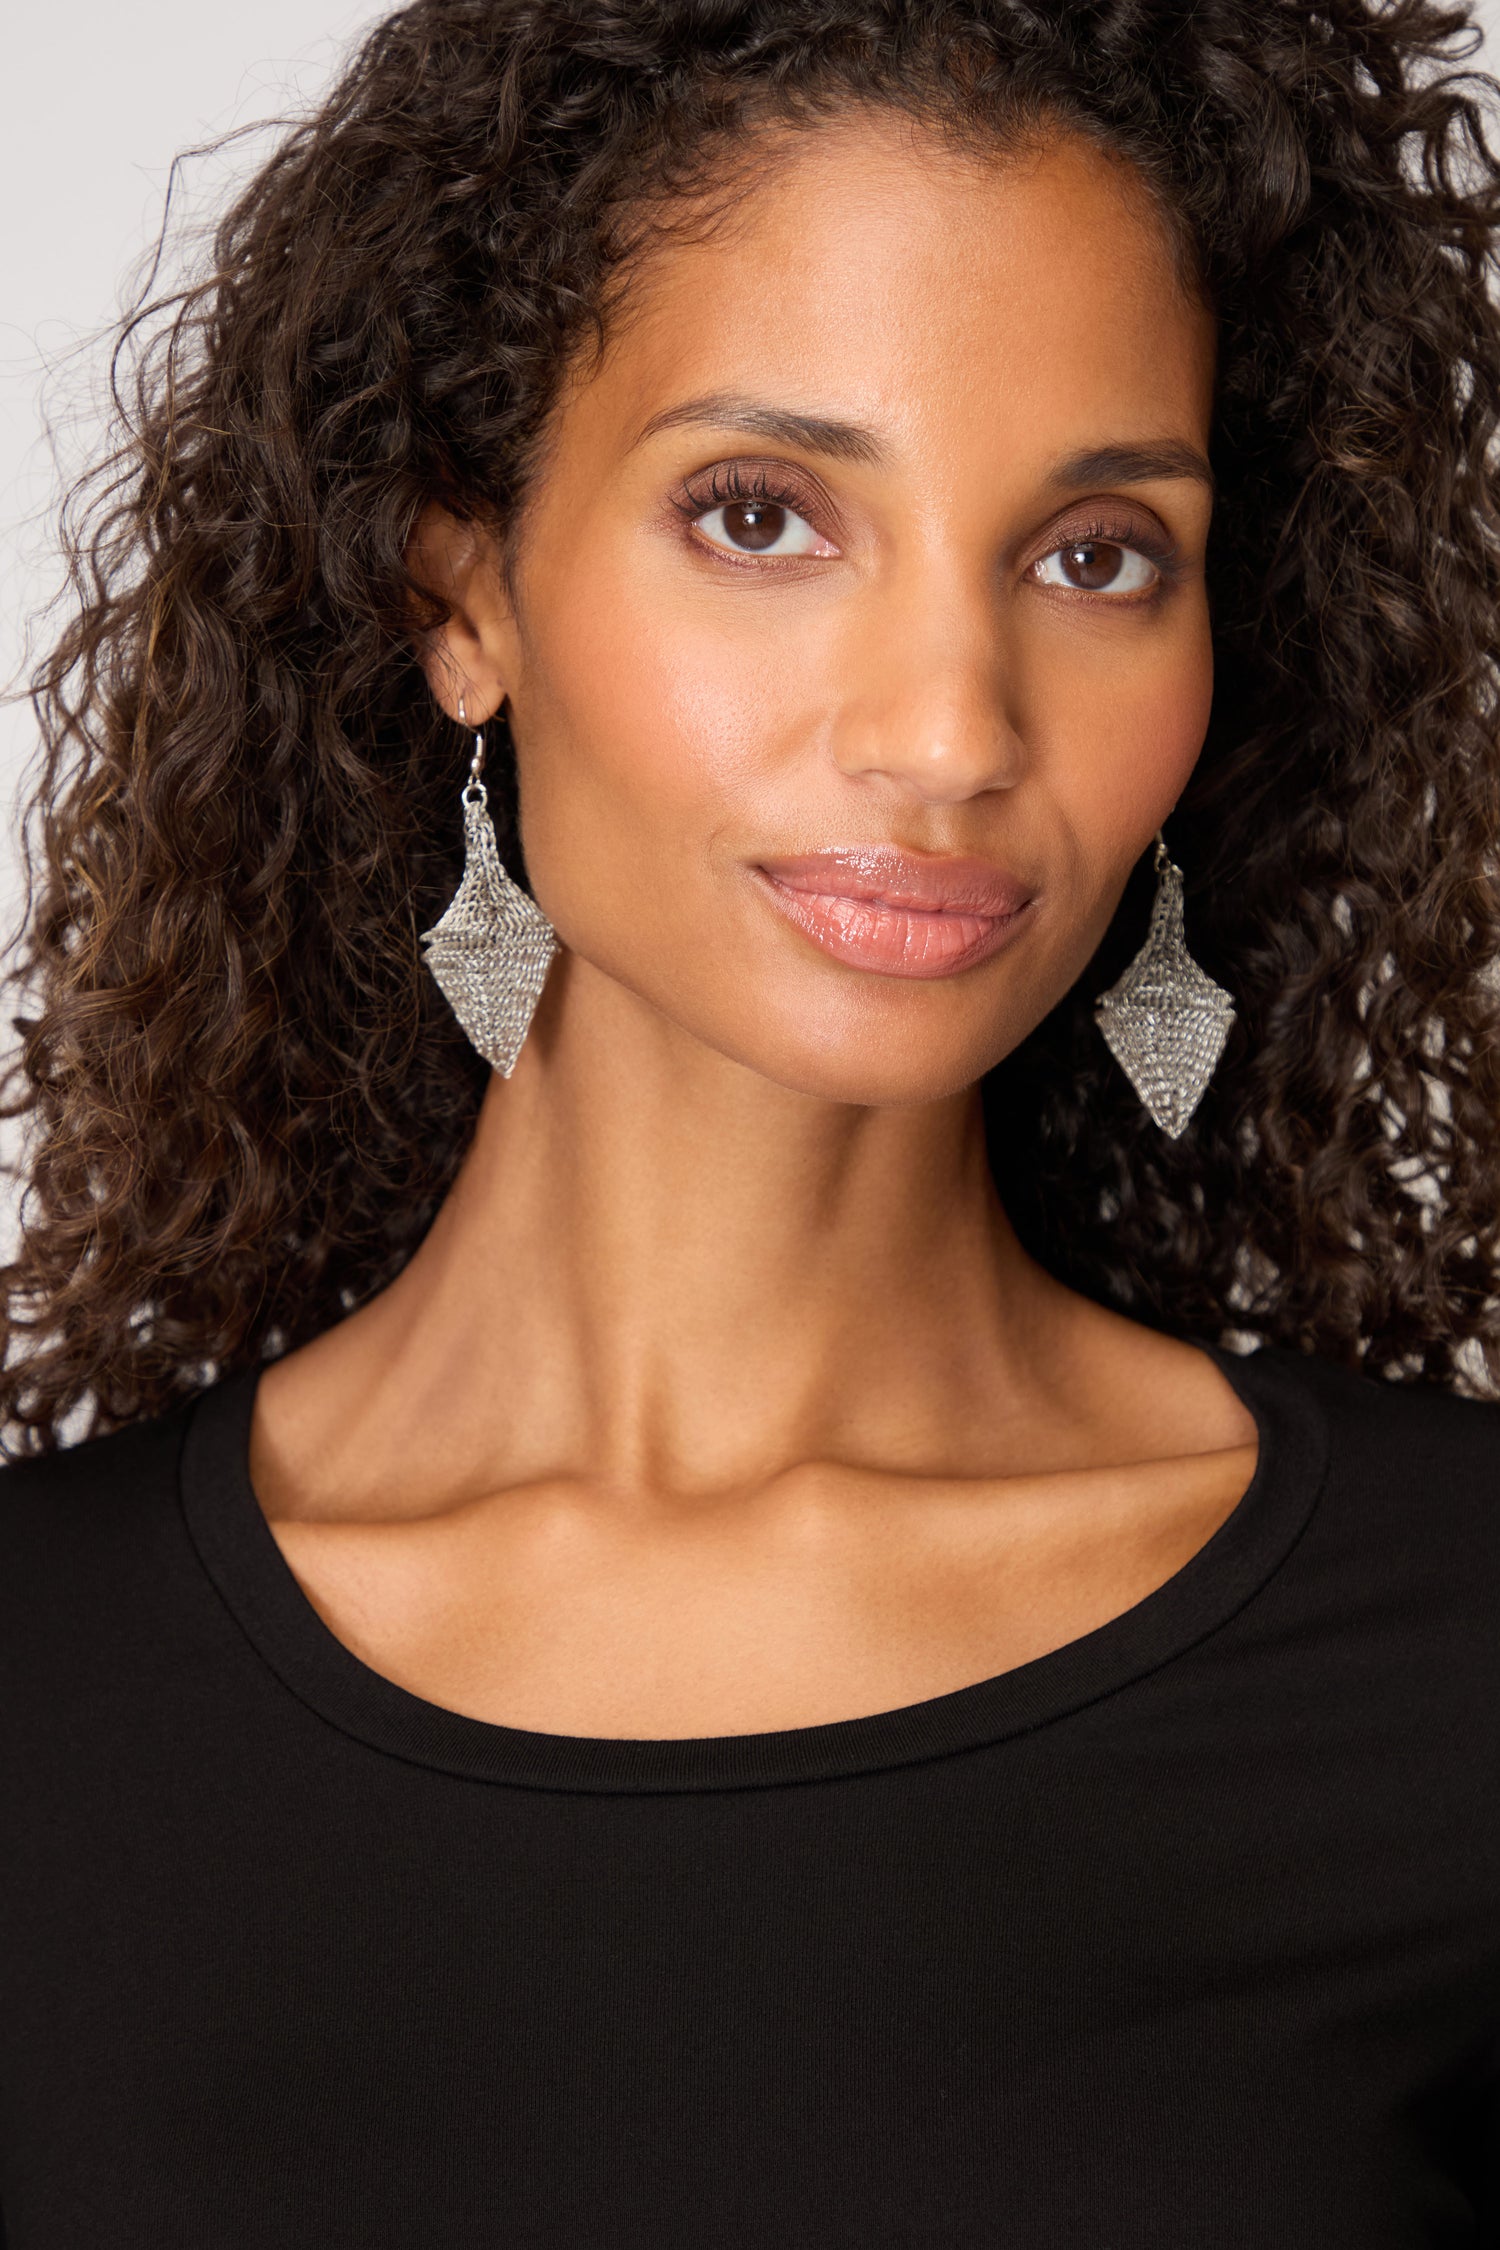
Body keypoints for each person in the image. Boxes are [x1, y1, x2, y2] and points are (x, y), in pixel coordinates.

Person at [1, 0, 1497, 2240]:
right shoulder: (38, 1713)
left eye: (1096, 552)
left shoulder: (1453, 1665)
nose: (947, 729)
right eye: (764, 514)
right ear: (466, 590)